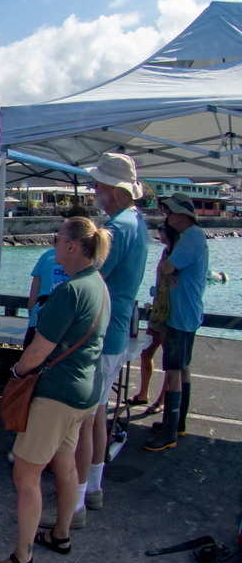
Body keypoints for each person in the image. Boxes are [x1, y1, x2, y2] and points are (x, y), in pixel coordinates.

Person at [0, 217, 110, 563]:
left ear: (71, 246)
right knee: (64, 463)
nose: (53, 245)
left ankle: (22, 558)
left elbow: (38, 350)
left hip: (57, 395)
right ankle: (61, 534)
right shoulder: (98, 283)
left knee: (26, 475)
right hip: (85, 392)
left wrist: (16, 373)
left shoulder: (70, 291)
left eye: (57, 239)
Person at [55, 153, 147, 527]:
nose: (94, 189)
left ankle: (75, 505)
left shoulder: (117, 228)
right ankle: (92, 488)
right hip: (117, 330)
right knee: (97, 415)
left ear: (114, 189)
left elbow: (91, 280)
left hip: (101, 334)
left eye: (98, 184)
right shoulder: (136, 223)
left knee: (82, 420)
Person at [144, 193, 209, 452]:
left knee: (173, 370)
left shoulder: (191, 237)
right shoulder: (194, 236)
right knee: (182, 367)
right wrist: (171, 269)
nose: (167, 216)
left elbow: (166, 268)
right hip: (188, 312)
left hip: (180, 315)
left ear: (183, 214)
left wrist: (169, 269)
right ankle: (177, 423)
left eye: (170, 211)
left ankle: (169, 433)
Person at [129, 222, 180, 411]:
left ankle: (161, 400)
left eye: (161, 231)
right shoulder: (165, 252)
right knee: (146, 352)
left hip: (169, 310)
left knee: (168, 359)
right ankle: (143, 394)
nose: (159, 233)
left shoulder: (177, 255)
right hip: (157, 308)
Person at [23, 242, 70, 348]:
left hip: (41, 310)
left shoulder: (46, 256)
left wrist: (32, 315)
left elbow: (34, 291)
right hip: (64, 316)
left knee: (29, 350)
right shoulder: (79, 261)